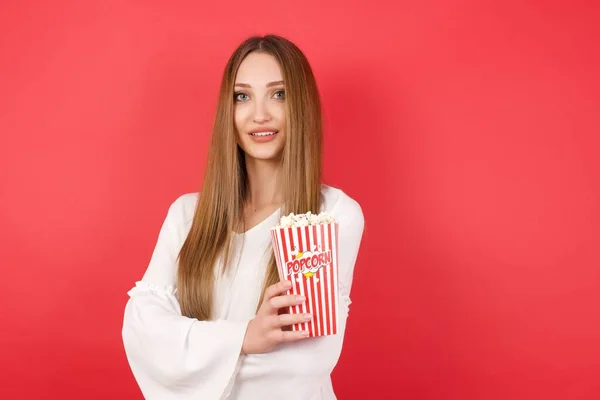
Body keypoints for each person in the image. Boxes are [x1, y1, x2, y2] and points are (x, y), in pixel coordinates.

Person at [121, 34, 365, 400]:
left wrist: (193, 355)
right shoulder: (187, 216)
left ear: (302, 105)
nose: (260, 114)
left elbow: (303, 364)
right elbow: (141, 332)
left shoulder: (330, 216)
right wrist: (246, 337)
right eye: (243, 96)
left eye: (278, 94)